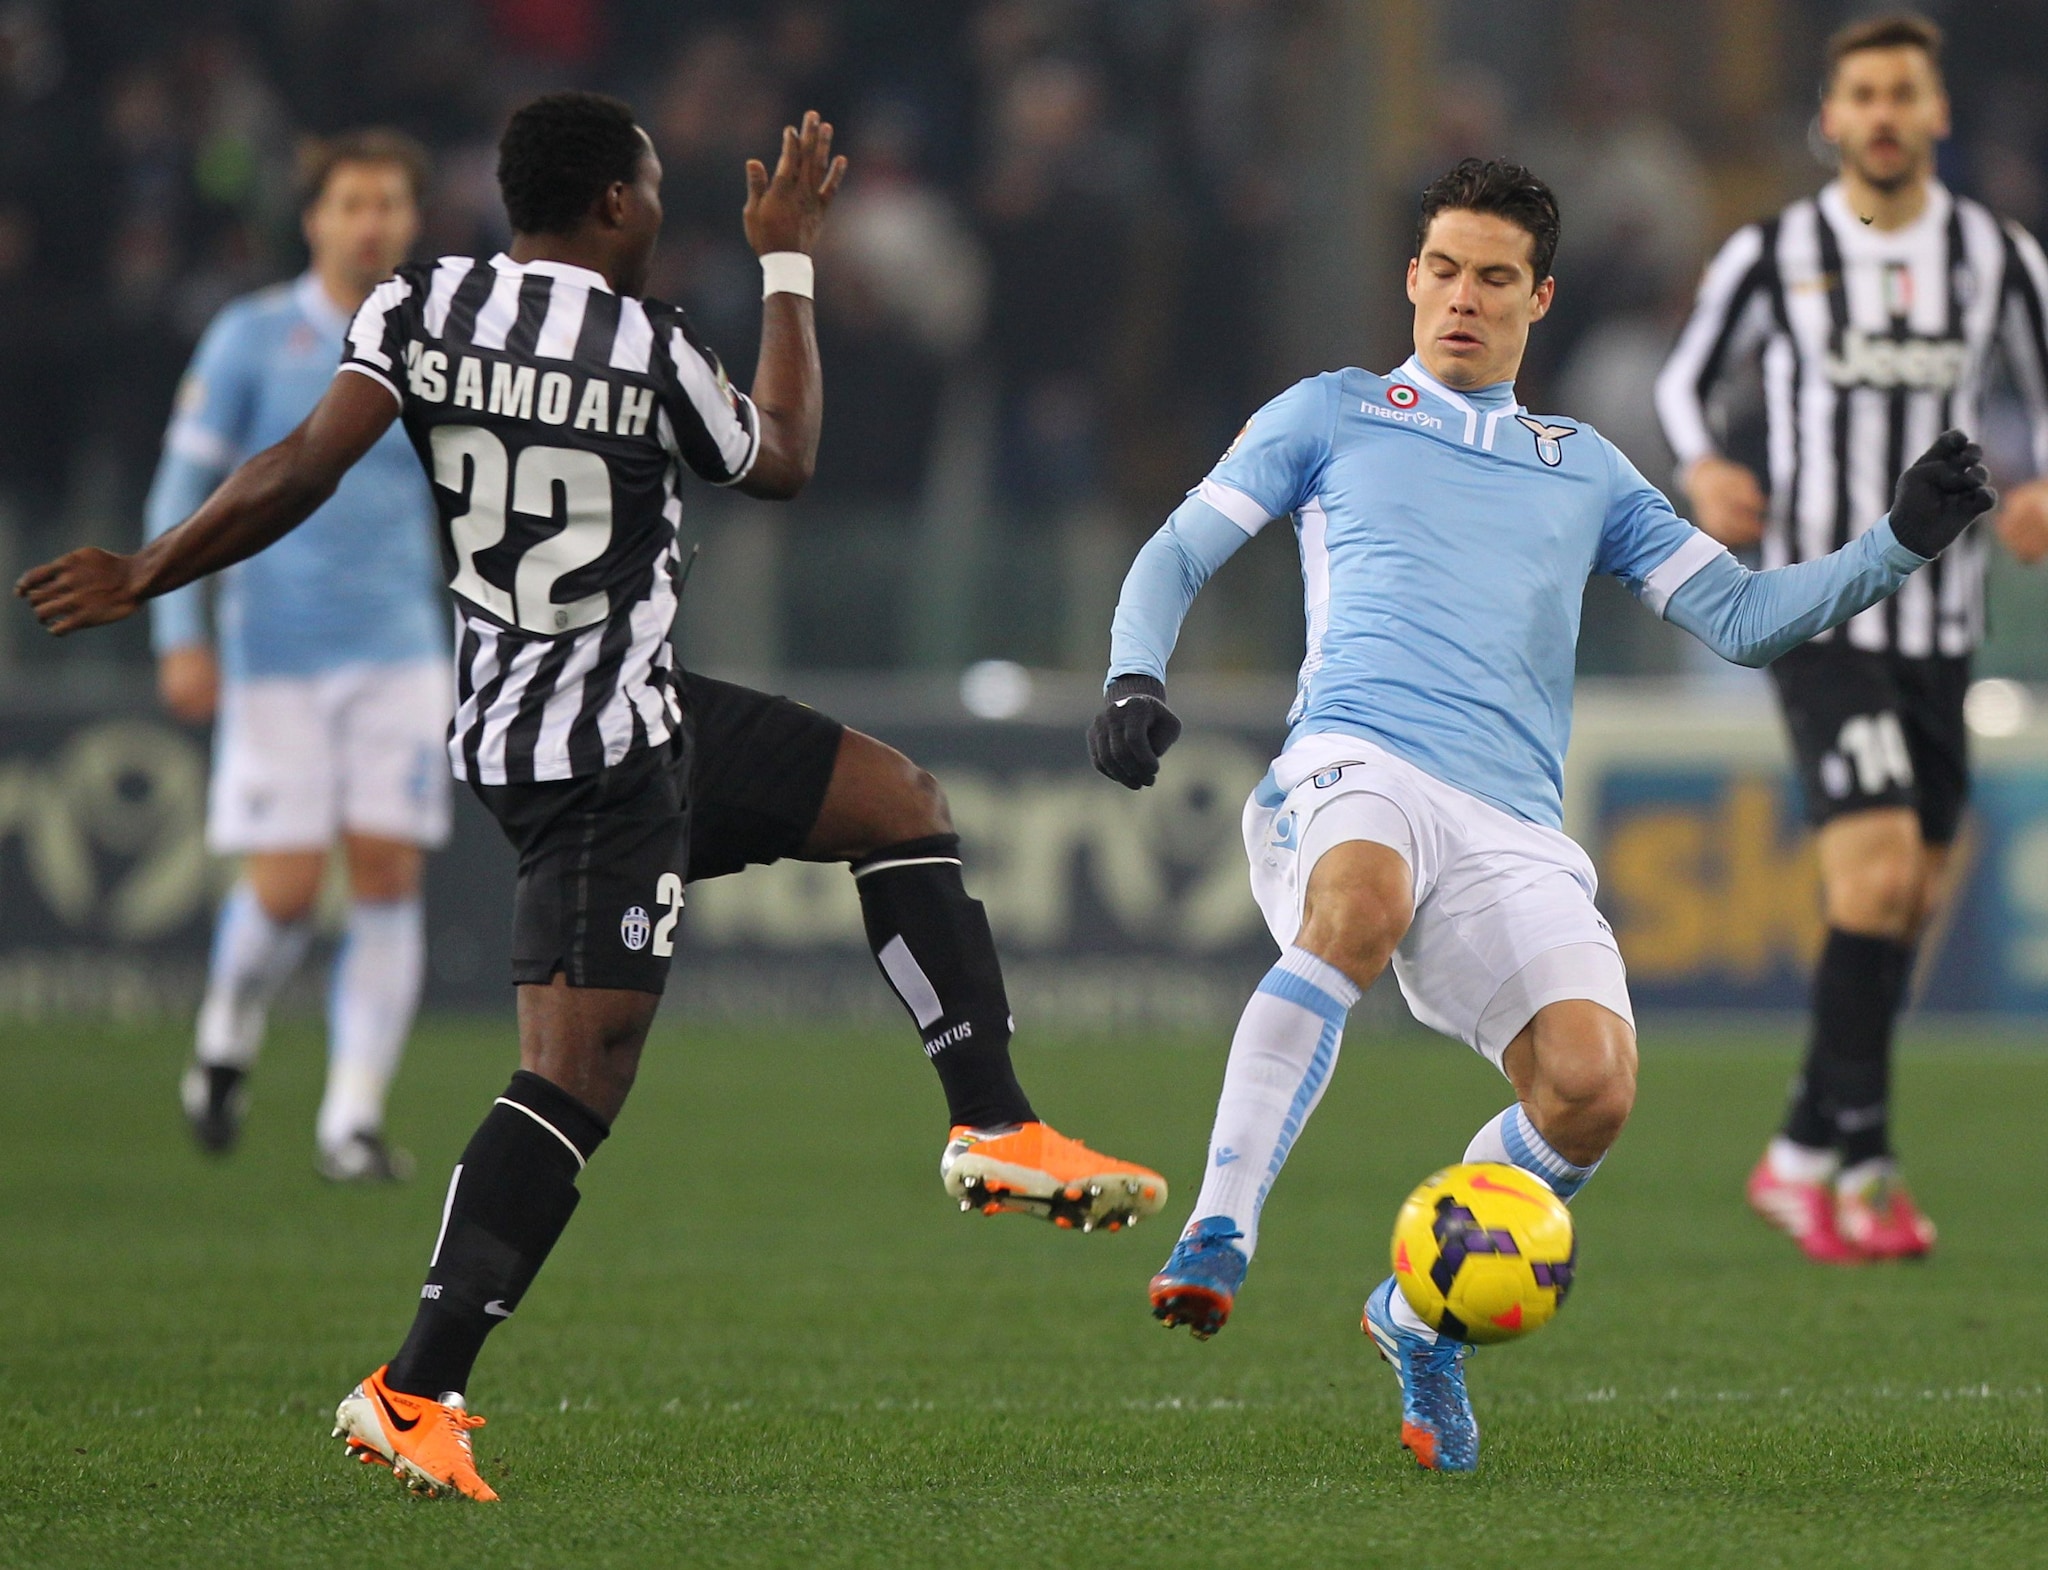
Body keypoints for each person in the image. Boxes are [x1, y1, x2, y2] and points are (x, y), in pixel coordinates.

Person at [20, 91, 1164, 1502]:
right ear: (616, 205)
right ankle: (411, 1385)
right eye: (659, 189)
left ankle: (991, 1120)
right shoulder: (645, 342)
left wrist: (148, 572)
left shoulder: (420, 304)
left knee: (895, 795)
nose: (667, 210)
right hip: (596, 759)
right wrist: (788, 262)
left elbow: (298, 467)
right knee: (574, 1076)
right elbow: (785, 457)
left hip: (592, 716)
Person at [1086, 157, 1994, 1473]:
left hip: (1510, 818)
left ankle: (1418, 1313)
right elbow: (1178, 547)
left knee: (1591, 1090)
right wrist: (1132, 671)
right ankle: (1220, 1227)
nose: (1462, 296)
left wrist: (1896, 540)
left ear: (1539, 297)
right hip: (1354, 761)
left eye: (1493, 276)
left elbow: (1741, 619)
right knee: (1361, 905)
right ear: (1411, 280)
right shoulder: (1330, 414)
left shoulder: (1589, 472)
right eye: (1442, 269)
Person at [1654, 12, 2048, 1264]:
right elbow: (1682, 376)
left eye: (1902, 93)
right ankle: (1857, 1156)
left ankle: (1806, 1147)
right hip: (1820, 602)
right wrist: (1702, 463)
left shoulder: (1997, 257)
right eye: (1860, 93)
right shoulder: (1775, 249)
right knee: (1876, 874)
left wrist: (2037, 485)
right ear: (1828, 119)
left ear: (1936, 114)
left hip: (1942, 622)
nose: (1881, 113)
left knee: (1911, 893)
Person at [149, 130, 449, 1184]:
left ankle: (351, 1120)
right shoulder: (251, 335)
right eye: (351, 202)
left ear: (413, 221)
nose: (371, 222)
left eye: (389, 204)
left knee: (386, 870)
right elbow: (175, 492)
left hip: (401, 647)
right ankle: (227, 1032)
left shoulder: (435, 339)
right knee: (281, 890)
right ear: (314, 218)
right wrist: (177, 630)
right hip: (273, 653)